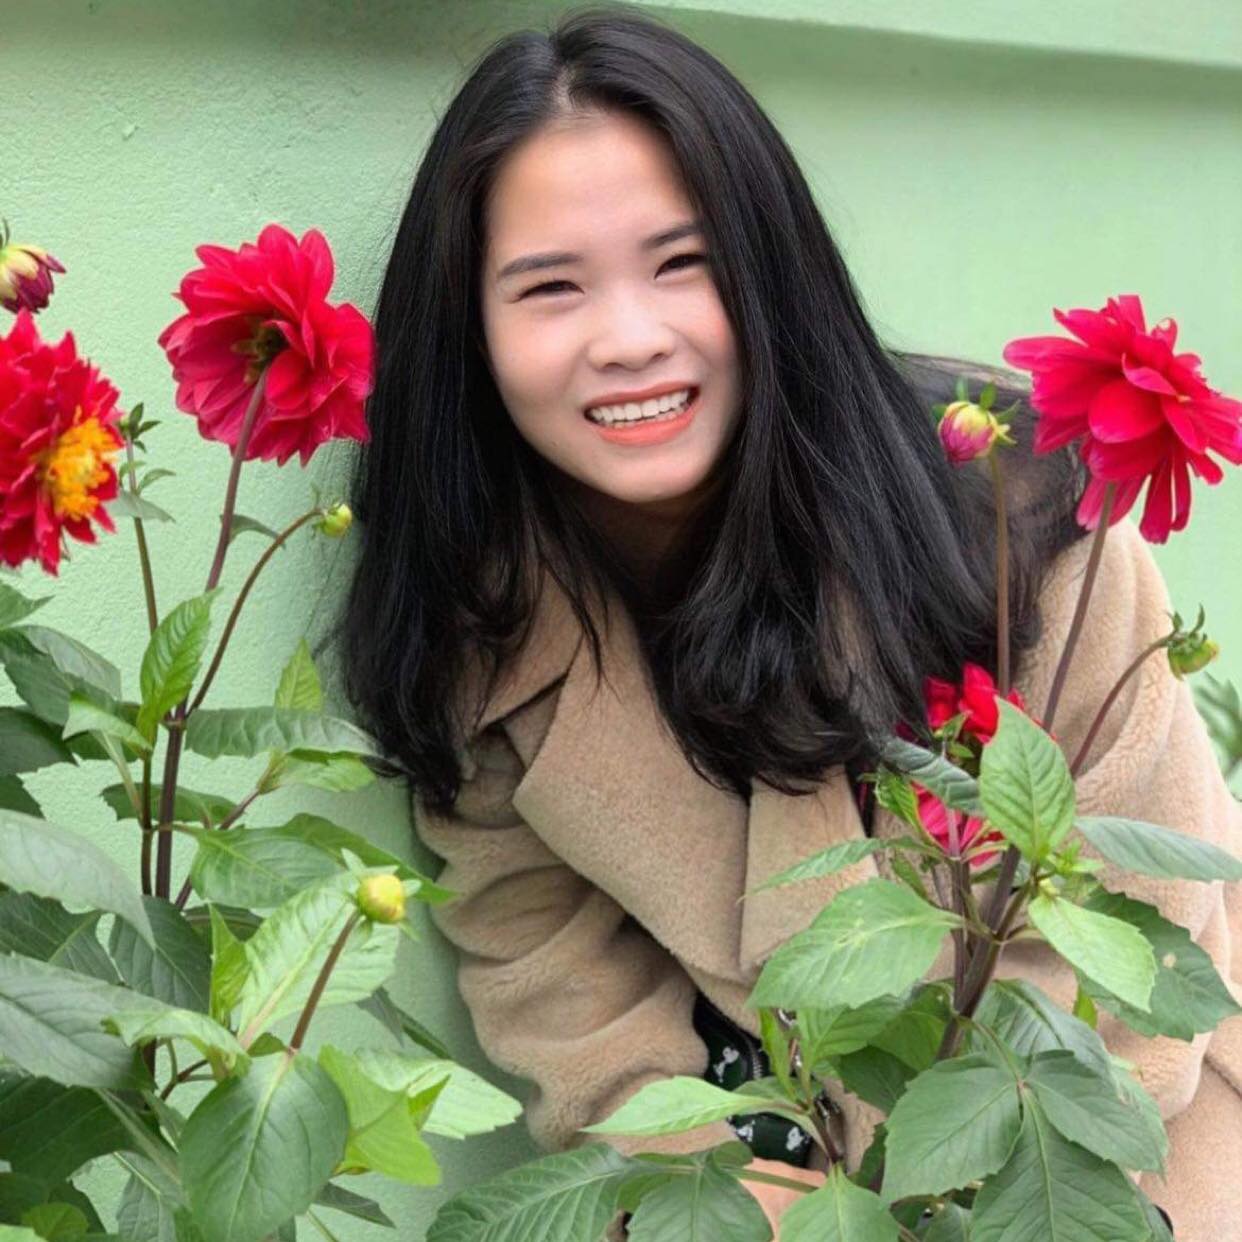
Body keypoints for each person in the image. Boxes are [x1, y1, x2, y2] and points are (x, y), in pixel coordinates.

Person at [334, 5, 1242, 1237]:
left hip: (1115, 1144)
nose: (631, 340)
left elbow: (1133, 936)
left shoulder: (1017, 515)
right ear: (469, 331)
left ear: (770, 269)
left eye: (683, 263)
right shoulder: (480, 620)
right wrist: (710, 1176)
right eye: (550, 288)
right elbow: (539, 954)